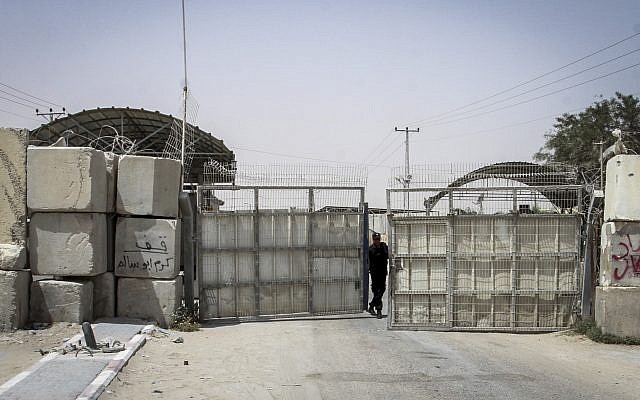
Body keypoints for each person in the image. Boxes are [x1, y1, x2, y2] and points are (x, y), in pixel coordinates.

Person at [368, 232, 388, 319]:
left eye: (378, 239)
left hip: (383, 272)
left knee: (382, 289)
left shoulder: (384, 246)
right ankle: (379, 310)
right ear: (373, 240)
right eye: (375, 239)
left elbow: (387, 255)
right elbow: (368, 261)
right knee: (376, 291)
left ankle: (372, 305)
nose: (377, 241)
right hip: (374, 273)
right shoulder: (371, 249)